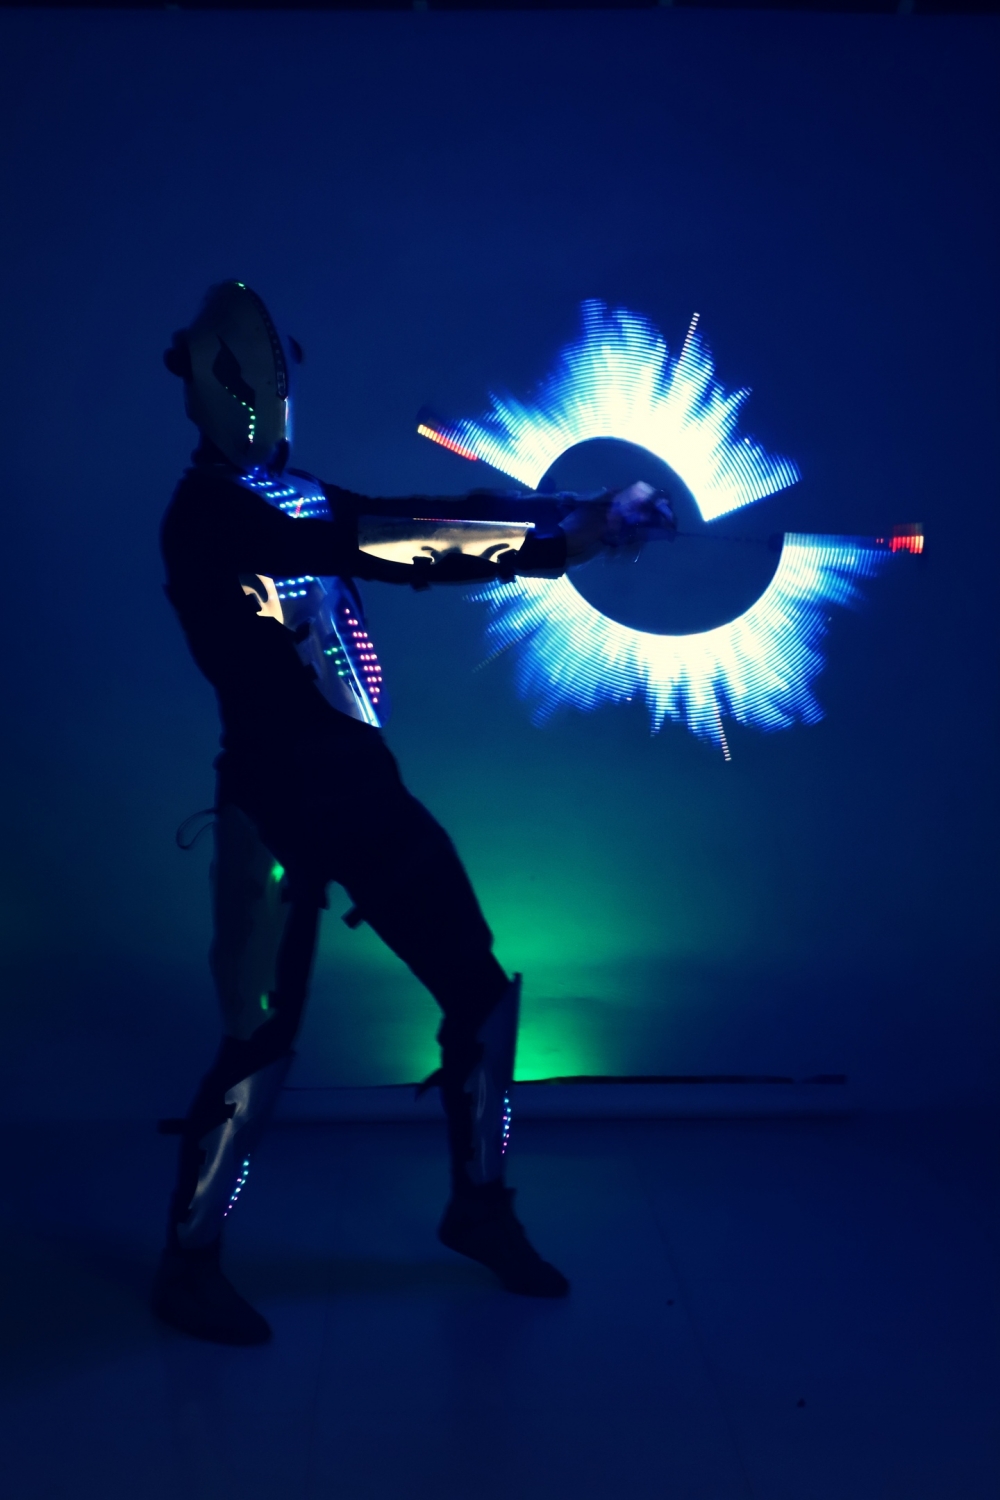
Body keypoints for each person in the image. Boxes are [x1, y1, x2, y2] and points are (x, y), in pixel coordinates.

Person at [153, 281, 671, 1345]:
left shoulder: (291, 496)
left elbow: (390, 524)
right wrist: (565, 534)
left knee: (478, 993)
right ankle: (188, 1260)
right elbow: (385, 538)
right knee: (258, 1042)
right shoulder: (206, 513)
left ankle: (479, 1208)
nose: (267, 399)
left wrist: (567, 524)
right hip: (269, 806)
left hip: (359, 787)